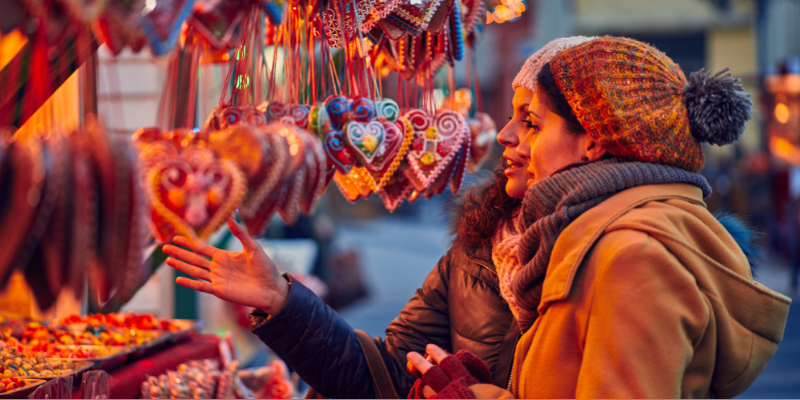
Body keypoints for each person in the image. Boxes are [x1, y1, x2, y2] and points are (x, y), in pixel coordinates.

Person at [161, 37, 596, 398]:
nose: (505, 135)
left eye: (532, 122)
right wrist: (281, 299)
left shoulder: (624, 253)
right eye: (511, 117)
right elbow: (384, 376)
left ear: (593, 141)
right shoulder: (482, 245)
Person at [405, 36, 792, 399]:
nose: (514, 138)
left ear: (593, 141)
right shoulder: (588, 240)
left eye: (534, 124)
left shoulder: (633, 258)